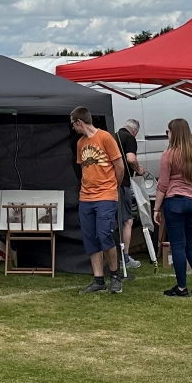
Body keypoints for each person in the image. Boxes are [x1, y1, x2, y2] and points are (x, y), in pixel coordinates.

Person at [71, 108, 126, 293]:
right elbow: (83, 170)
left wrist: (113, 187)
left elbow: (120, 166)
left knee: (104, 235)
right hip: (86, 197)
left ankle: (115, 275)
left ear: (79, 122)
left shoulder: (105, 138)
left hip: (105, 196)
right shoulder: (80, 143)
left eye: (73, 123)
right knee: (90, 238)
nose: (72, 127)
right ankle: (98, 280)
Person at [156, 118, 192, 298]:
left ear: (174, 133)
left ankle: (181, 287)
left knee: (177, 246)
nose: (167, 134)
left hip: (175, 201)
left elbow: (163, 185)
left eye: (168, 131)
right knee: (189, 245)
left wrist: (156, 208)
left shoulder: (169, 154)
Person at [114, 117, 144, 266]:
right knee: (127, 220)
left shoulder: (112, 136)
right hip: (122, 183)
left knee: (112, 221)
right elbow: (131, 159)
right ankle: (125, 257)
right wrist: (139, 170)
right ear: (135, 132)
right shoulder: (130, 139)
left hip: (108, 184)